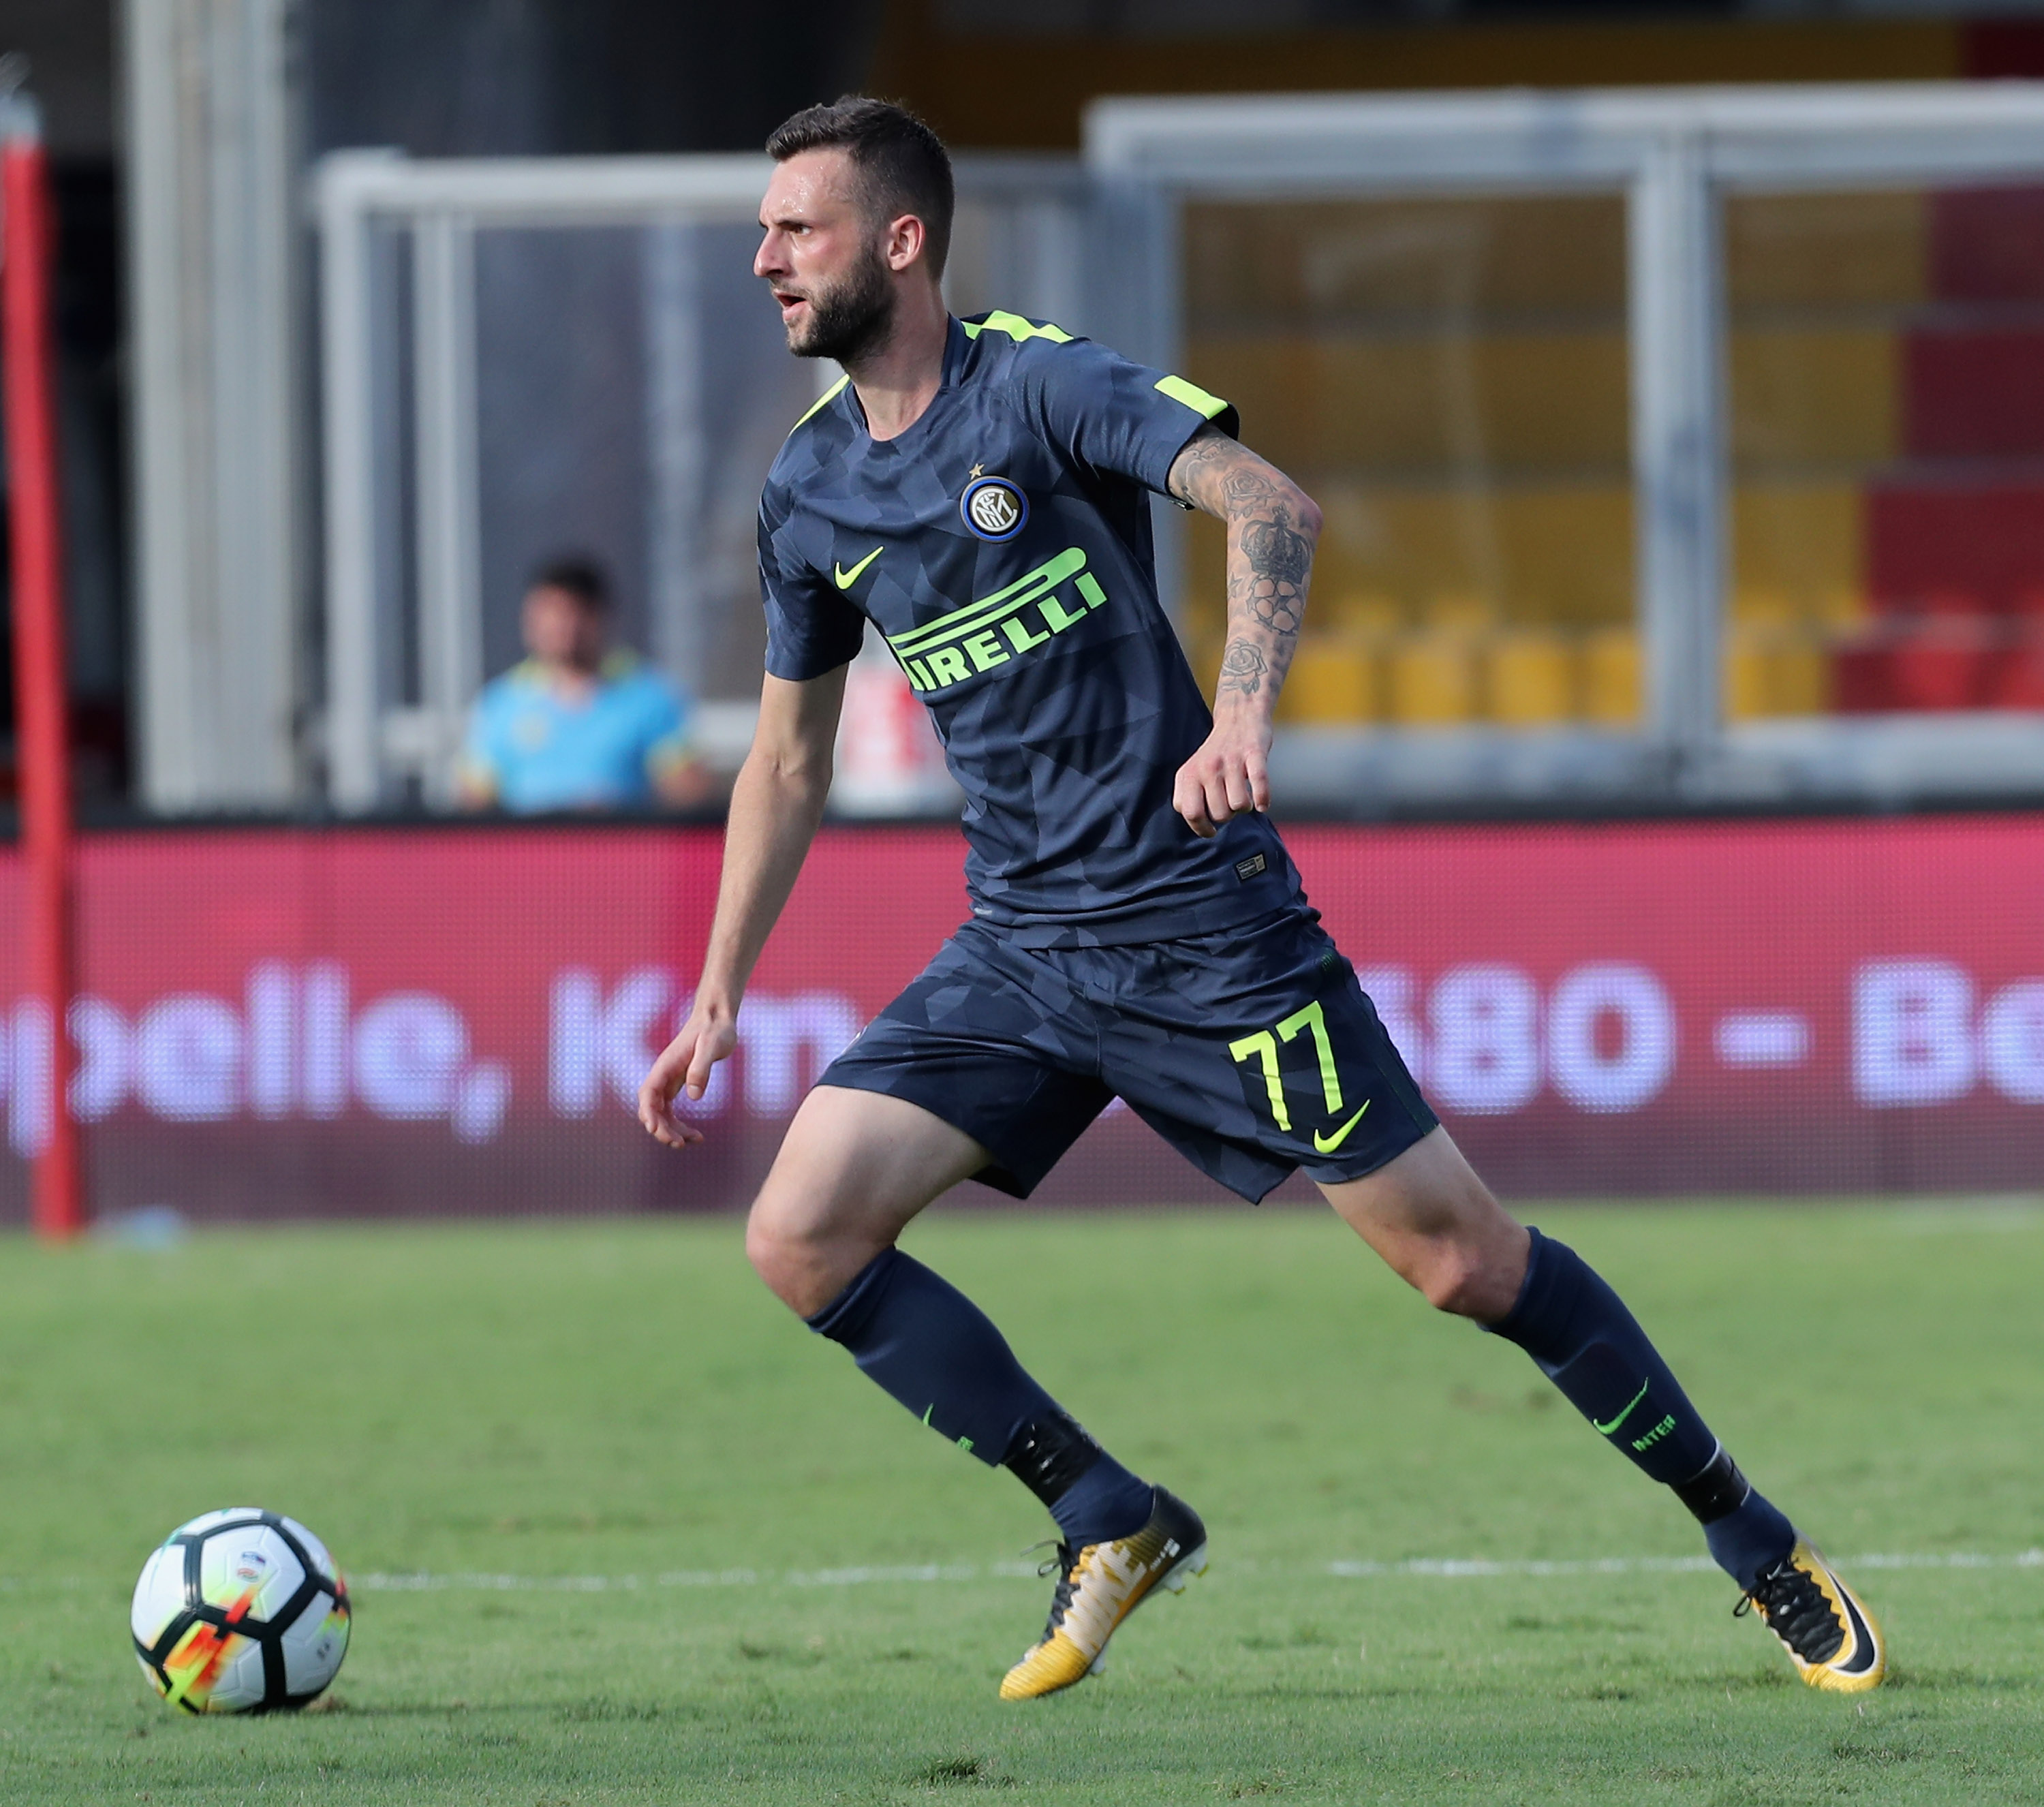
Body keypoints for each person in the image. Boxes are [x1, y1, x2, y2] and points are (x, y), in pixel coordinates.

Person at [636, 96, 1885, 1701]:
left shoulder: (1039, 384)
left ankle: (1750, 1533)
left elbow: (1266, 503)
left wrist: (1237, 715)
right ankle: (1105, 1511)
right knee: (799, 1232)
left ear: (900, 241)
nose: (764, 259)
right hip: (1020, 943)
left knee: (1460, 1261)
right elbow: (786, 761)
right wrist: (722, 981)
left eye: (794, 229)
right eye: (763, 232)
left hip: (1200, 926)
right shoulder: (806, 489)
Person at [458, 555, 711, 813]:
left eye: (571, 612)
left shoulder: (648, 698)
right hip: (527, 853)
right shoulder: (503, 701)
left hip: (618, 850)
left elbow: (688, 794)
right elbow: (473, 800)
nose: (561, 626)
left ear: (598, 616)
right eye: (549, 611)